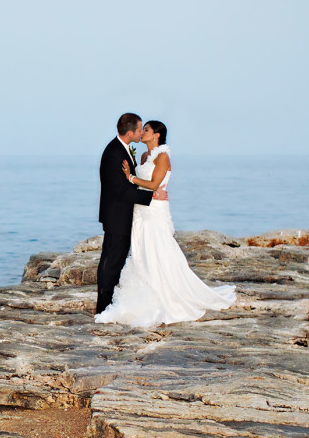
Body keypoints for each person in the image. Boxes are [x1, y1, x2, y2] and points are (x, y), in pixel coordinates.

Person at [95, 119, 235, 328]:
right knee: (142, 251)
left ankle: (169, 294)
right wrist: (133, 181)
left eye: (147, 130)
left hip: (154, 211)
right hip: (140, 210)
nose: (142, 133)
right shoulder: (143, 156)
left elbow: (153, 185)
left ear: (157, 135)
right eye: (141, 129)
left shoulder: (163, 156)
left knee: (159, 249)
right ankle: (143, 294)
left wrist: (130, 178)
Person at [95, 113, 162, 315]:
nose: (142, 133)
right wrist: (151, 197)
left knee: (114, 260)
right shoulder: (114, 153)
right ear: (131, 132)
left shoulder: (122, 149)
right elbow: (120, 190)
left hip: (122, 215)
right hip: (117, 216)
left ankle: (106, 305)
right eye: (140, 129)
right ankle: (104, 308)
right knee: (111, 262)